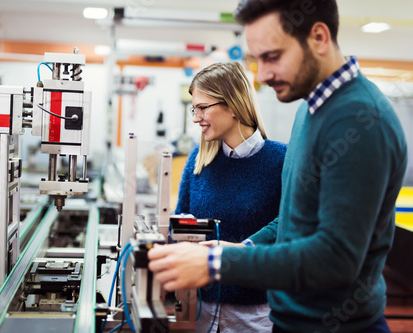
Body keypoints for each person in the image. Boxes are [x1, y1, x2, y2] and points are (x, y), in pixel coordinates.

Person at [148, 1, 408, 333]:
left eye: (272, 57)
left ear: (318, 37)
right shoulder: (310, 110)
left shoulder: (359, 119)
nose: (264, 74)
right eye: (258, 60)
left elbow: (336, 259)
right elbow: (293, 218)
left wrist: (218, 263)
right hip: (292, 320)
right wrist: (243, 248)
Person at [174, 61, 286, 332]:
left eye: (202, 108)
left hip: (256, 313)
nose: (195, 117)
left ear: (233, 105)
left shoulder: (281, 160)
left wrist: (243, 250)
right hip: (200, 309)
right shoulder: (198, 161)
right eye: (194, 108)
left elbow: (291, 224)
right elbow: (178, 221)